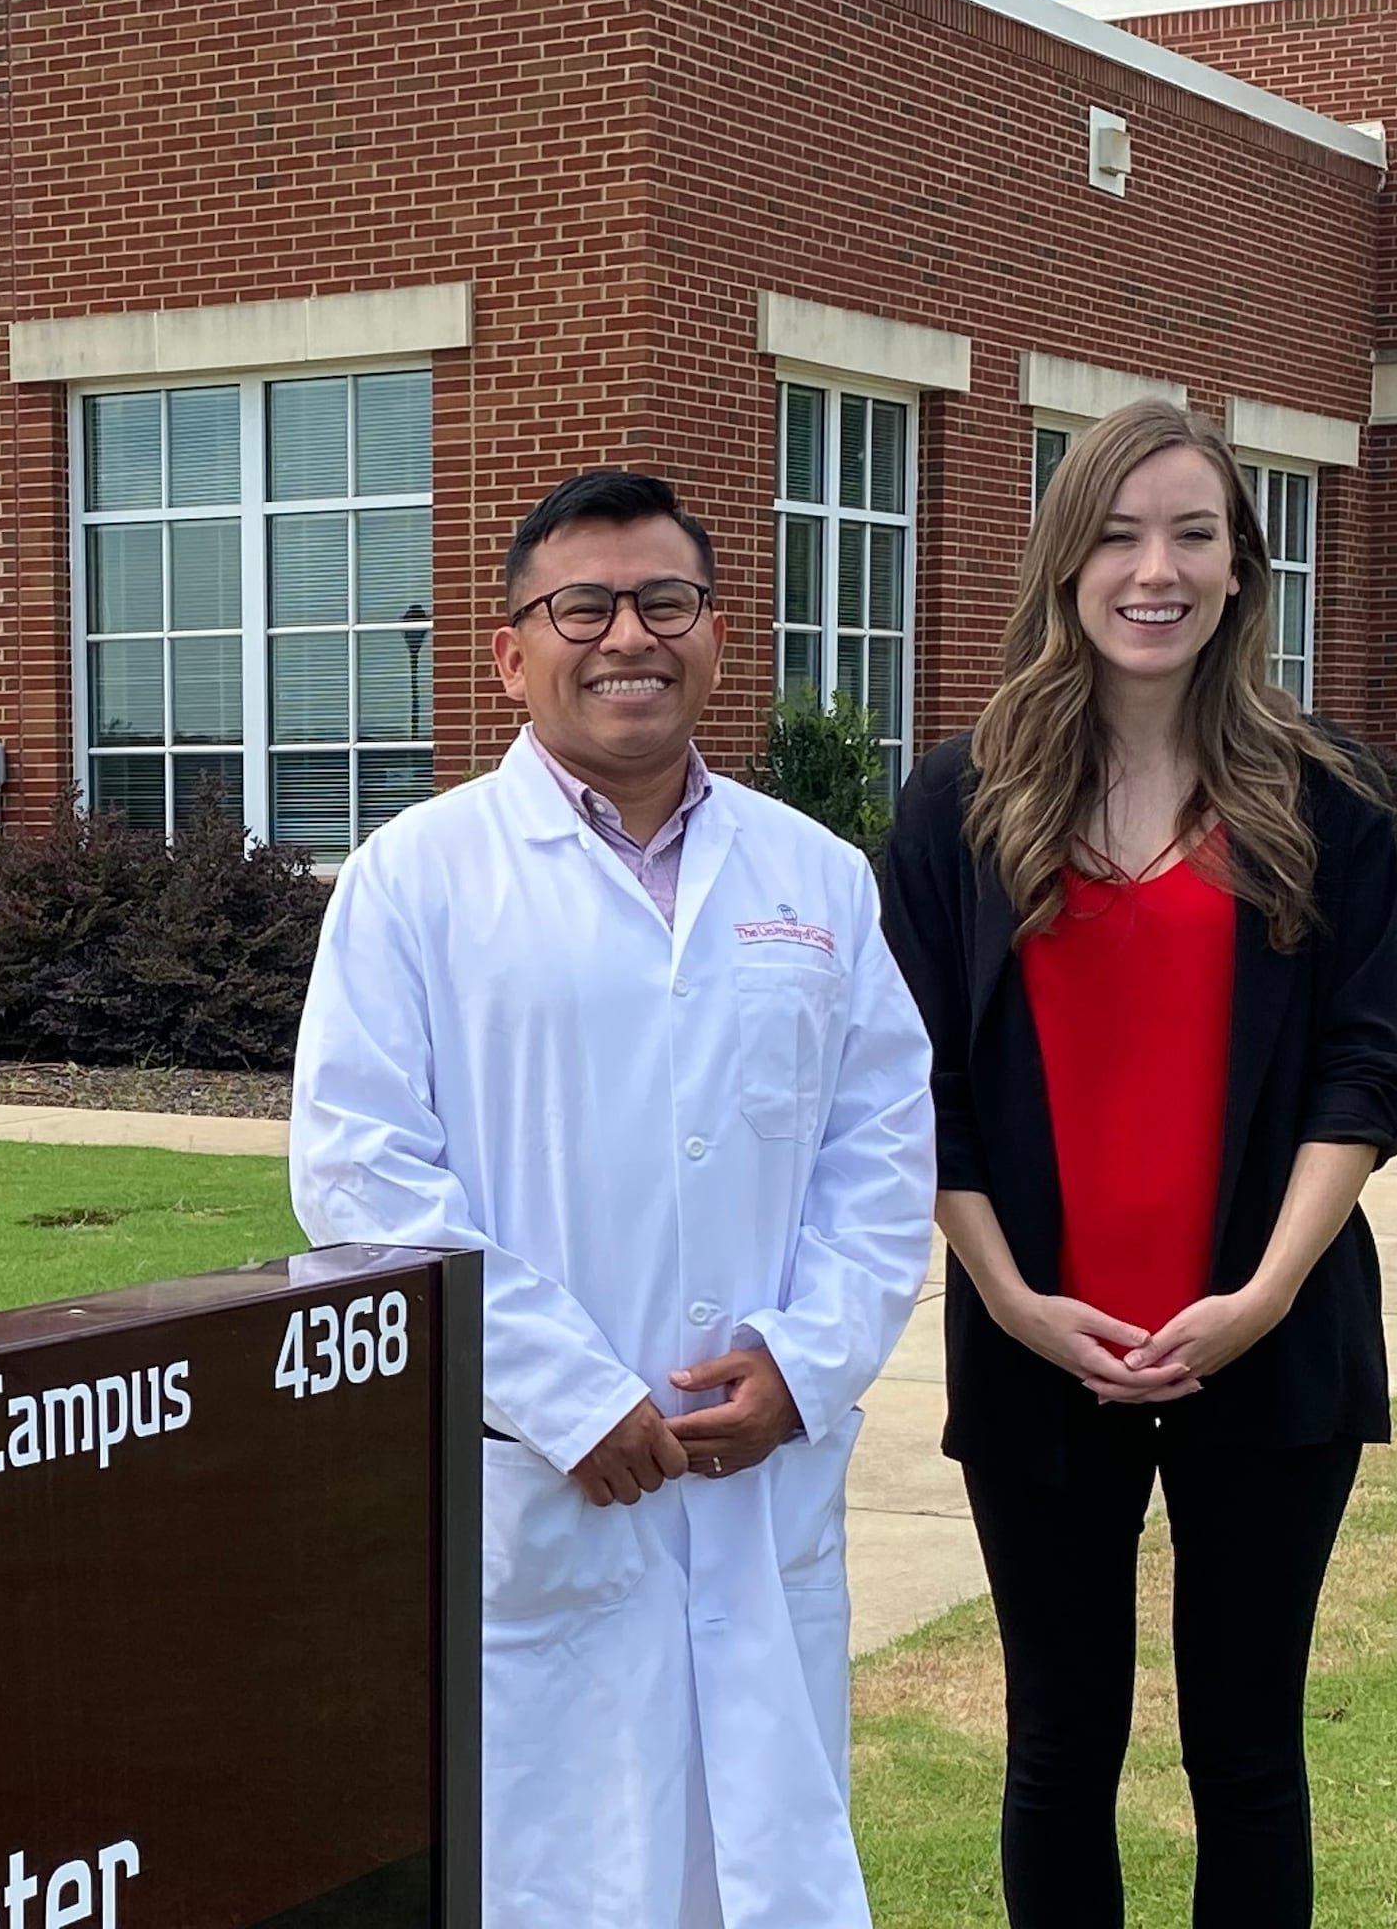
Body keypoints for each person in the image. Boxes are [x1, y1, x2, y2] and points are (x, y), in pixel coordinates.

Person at [293, 468, 937, 1929]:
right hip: (538, 1488)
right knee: (553, 1875)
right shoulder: (415, 880)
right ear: (511, 653)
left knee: (756, 1871)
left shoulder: (818, 877)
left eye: (665, 602)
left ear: (717, 637)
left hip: (756, 1477)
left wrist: (807, 1363)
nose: (628, 636)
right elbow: (359, 1168)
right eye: (582, 607)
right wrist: (565, 1395)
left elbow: (882, 1146)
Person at [878, 399, 1397, 1928]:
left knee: (1246, 1755)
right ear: (1066, 562)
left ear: (1243, 566)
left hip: (1271, 1341)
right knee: (1058, 1750)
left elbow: (1363, 1068)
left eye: (1192, 535)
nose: (1154, 570)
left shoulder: (1329, 799)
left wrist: (1261, 1297)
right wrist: (1013, 1298)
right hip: (1038, 1345)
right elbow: (917, 1085)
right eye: (1117, 535)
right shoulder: (962, 802)